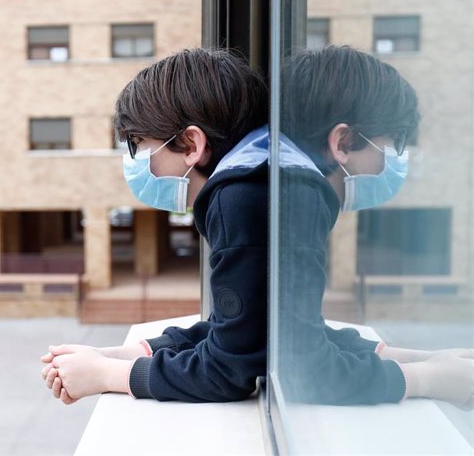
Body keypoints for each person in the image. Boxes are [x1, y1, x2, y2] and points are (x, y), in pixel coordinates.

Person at [40, 46, 474, 408]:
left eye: (142, 148)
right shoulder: (270, 189)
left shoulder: (250, 197)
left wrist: (108, 375)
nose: (138, 164)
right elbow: (258, 332)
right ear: (340, 141)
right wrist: (127, 353)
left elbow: (259, 371)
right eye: (392, 145)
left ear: (191, 144)